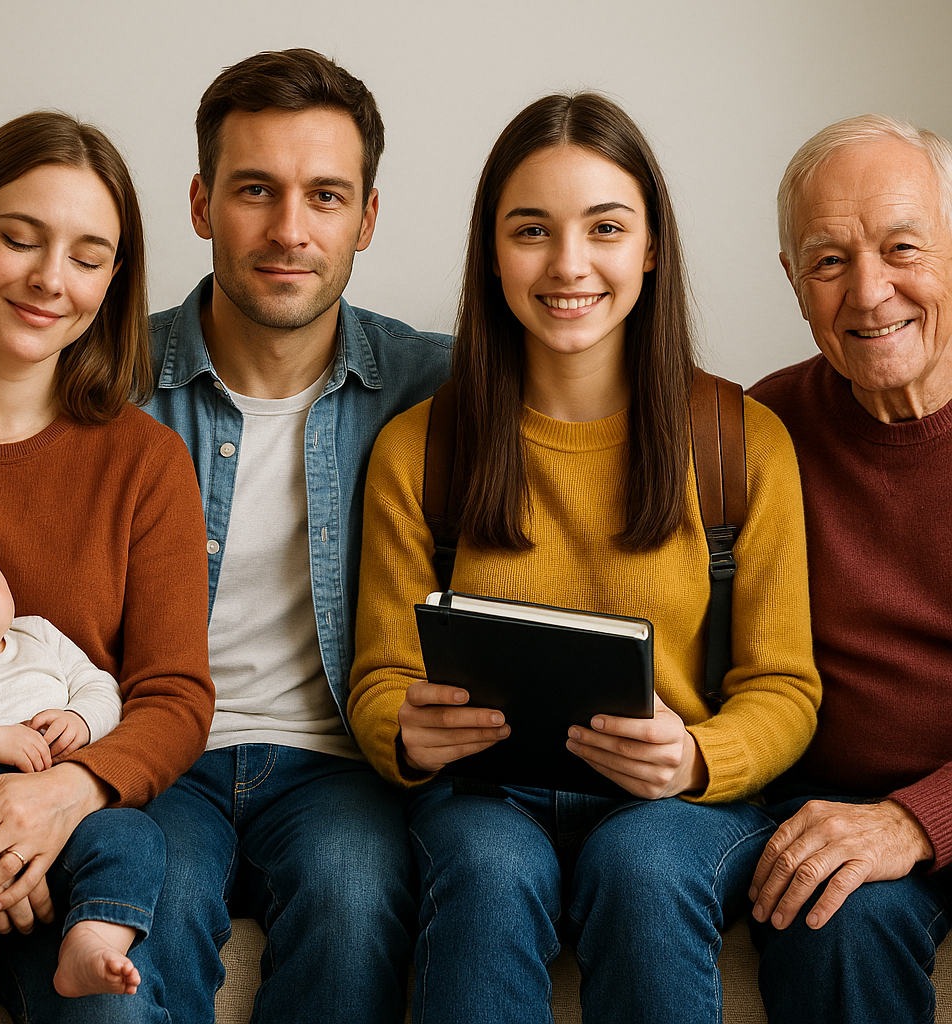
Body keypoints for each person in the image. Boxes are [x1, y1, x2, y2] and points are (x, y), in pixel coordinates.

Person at [348, 92, 822, 1024]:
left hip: (679, 808)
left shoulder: (742, 443)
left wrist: (695, 758)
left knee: (640, 868)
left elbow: (784, 687)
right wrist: (407, 731)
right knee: (486, 869)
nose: (568, 264)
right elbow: (380, 675)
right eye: (532, 230)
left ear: (650, 247)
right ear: (492, 250)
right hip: (486, 796)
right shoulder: (420, 449)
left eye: (605, 228)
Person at [142, 49, 451, 1024]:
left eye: (324, 196)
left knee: (357, 897)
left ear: (365, 217)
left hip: (339, 765)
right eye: (254, 191)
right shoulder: (105, 378)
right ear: (200, 203)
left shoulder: (439, 387)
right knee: (150, 898)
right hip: (155, 752)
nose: (288, 230)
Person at [0, 111, 214, 1024]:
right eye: (21, 238)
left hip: (77, 829)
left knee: (115, 1014)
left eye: (89, 256)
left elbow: (173, 694)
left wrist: (65, 792)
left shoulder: (145, 461)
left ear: (114, 279)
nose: (52, 280)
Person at [747, 114, 952, 1024]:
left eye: (903, 248)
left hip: (937, 800)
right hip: (816, 799)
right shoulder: (765, 426)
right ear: (793, 283)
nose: (870, 295)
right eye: (829, 261)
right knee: (829, 915)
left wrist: (916, 819)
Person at [0, 504, 162, 998]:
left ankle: (93, 937)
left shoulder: (39, 634)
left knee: (135, 836)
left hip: (65, 807)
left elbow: (101, 689)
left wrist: (79, 720)